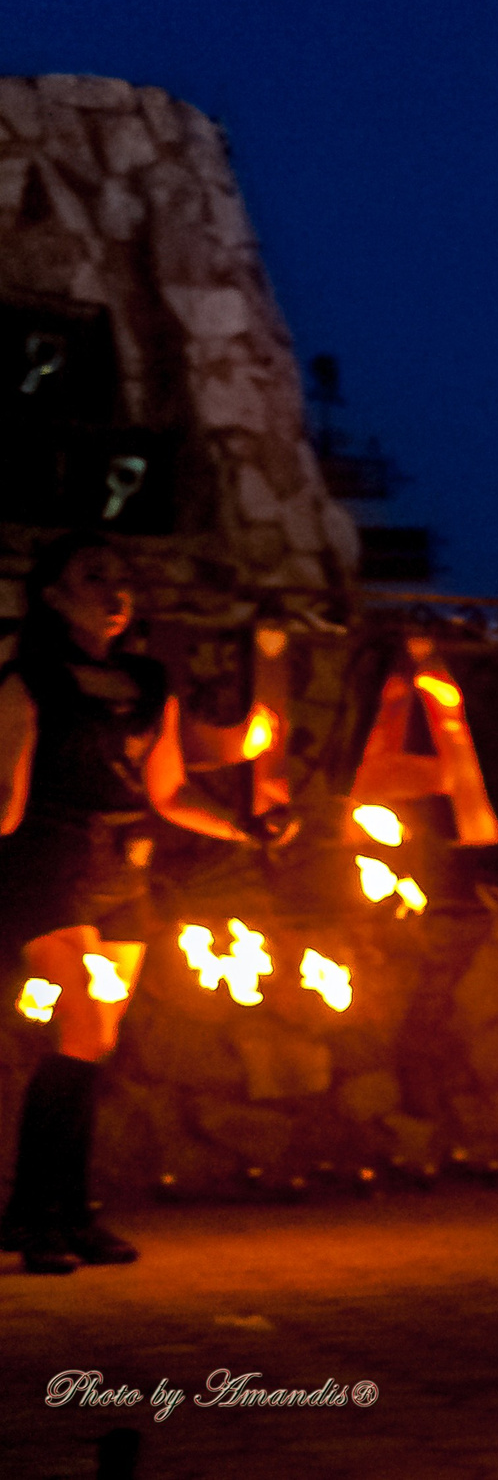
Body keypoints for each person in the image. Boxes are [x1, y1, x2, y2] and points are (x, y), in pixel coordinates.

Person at [1, 534, 293, 1274]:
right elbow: (5, 797)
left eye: (122, 578)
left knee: (92, 1047)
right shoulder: (26, 678)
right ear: (52, 595)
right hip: (51, 865)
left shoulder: (147, 680)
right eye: (93, 576)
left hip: (123, 876)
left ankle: (68, 1213)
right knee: (85, 1030)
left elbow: (167, 791)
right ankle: (36, 1217)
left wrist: (243, 826)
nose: (114, 589)